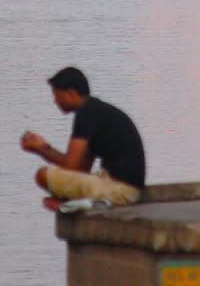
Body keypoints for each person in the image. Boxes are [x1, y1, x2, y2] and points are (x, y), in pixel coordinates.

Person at [21, 66, 145, 210]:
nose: (55, 101)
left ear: (71, 93)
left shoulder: (86, 113)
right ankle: (75, 204)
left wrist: (40, 149)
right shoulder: (94, 111)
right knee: (57, 185)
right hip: (127, 191)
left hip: (121, 191)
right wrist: (43, 148)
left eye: (57, 96)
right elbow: (80, 170)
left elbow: (70, 166)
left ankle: (71, 206)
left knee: (42, 175)